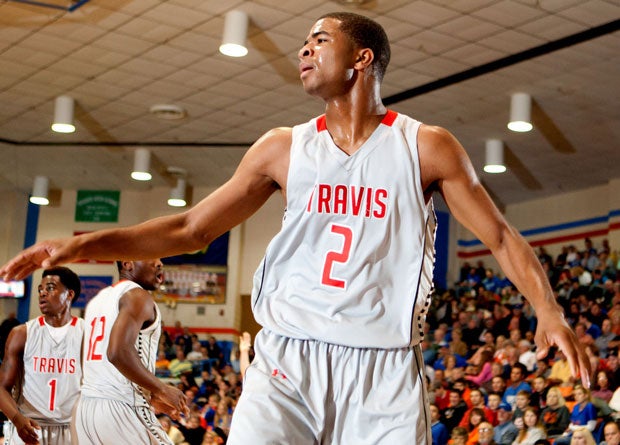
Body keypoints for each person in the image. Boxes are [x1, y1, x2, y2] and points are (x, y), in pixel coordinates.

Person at [0, 11, 591, 444]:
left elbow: (501, 237)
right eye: (302, 43)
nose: (303, 51)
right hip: (288, 359)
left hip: (381, 368)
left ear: (362, 59)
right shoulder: (283, 148)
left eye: (319, 41)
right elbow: (189, 229)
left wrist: (548, 309)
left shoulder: (425, 147)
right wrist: (81, 243)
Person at [72, 259, 188, 444]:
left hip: (87, 409)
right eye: (152, 256)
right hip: (123, 408)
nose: (159, 263)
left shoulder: (97, 300)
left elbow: (87, 358)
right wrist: (161, 389)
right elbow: (118, 352)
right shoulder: (138, 295)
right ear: (127, 263)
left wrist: (150, 395)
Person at [0, 267, 83, 444]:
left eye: (51, 288)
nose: (43, 293)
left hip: (73, 428)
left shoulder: (88, 334)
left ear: (69, 294)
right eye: (40, 289)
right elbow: (1, 387)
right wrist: (16, 418)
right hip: (29, 426)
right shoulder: (22, 334)